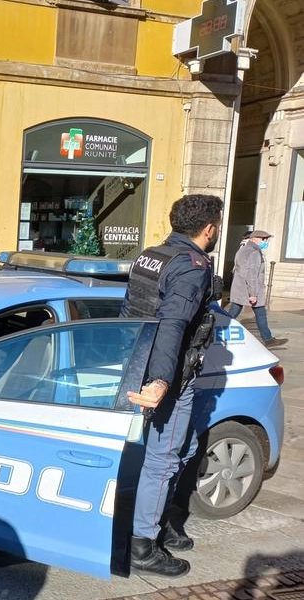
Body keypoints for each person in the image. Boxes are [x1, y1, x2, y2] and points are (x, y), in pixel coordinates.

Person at [120, 194, 224, 578]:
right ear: (209, 228)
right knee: (162, 461)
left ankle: (158, 521)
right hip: (170, 376)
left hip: (139, 361)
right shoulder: (192, 267)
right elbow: (172, 324)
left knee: (182, 448)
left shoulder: (152, 254)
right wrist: (163, 380)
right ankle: (143, 545)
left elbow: (130, 309)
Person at [225, 230, 287, 348]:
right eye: (263, 239)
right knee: (259, 314)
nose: (265, 241)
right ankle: (268, 340)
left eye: (266, 239)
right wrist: (253, 294)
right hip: (250, 290)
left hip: (240, 288)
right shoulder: (254, 252)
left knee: (235, 312)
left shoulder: (243, 249)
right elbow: (252, 274)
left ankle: (218, 330)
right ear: (254, 239)